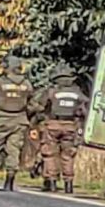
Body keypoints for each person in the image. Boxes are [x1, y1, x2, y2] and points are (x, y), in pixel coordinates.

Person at [0, 54, 35, 191]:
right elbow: (32, 103)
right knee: (14, 150)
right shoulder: (26, 84)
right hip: (19, 120)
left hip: (0, 119)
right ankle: (9, 182)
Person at [35, 63, 88, 193]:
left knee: (50, 154)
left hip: (53, 125)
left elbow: (40, 106)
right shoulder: (78, 93)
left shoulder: (52, 91)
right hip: (70, 126)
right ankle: (68, 185)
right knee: (68, 155)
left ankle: (52, 182)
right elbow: (85, 109)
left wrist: (38, 119)